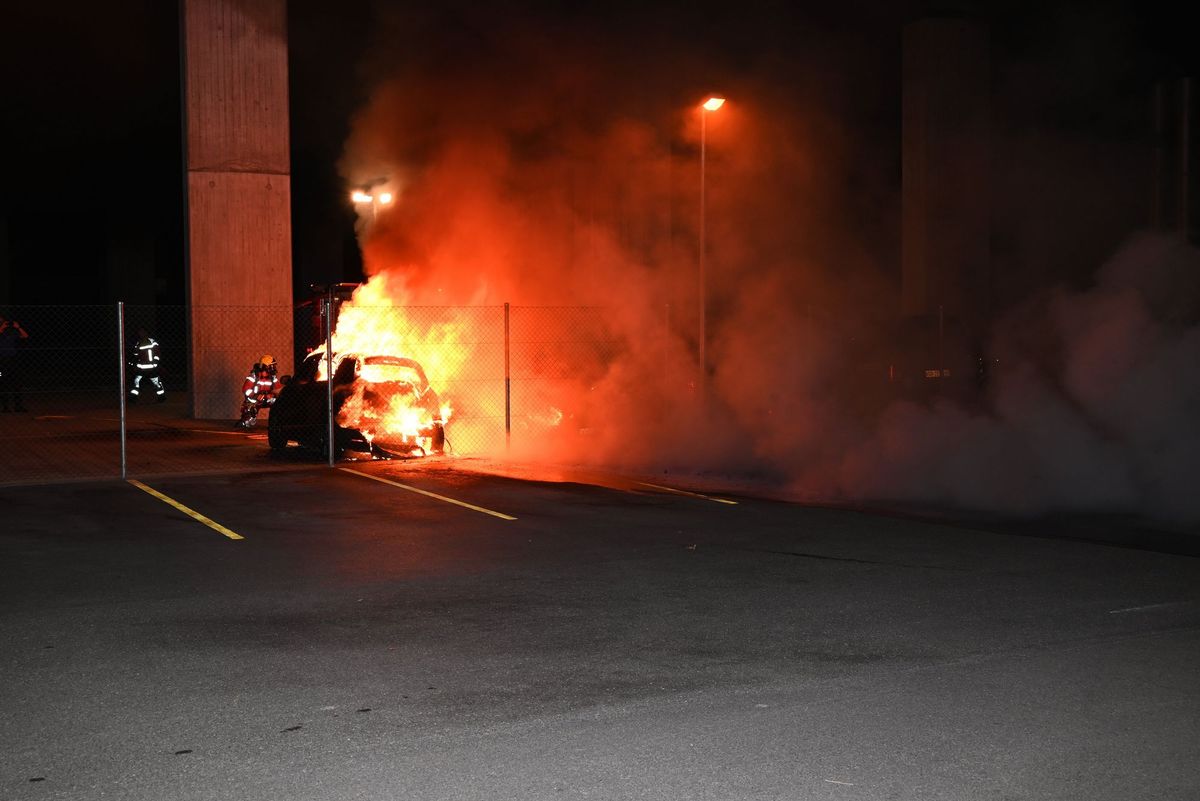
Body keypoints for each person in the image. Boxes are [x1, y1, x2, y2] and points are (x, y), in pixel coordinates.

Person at [237, 354, 283, 428]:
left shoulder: (272, 377)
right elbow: (245, 390)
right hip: (254, 400)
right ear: (266, 366)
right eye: (272, 366)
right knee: (249, 422)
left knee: (280, 403)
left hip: (267, 398)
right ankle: (246, 420)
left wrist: (274, 395)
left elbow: (279, 388)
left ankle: (276, 423)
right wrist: (256, 396)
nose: (274, 368)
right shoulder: (254, 376)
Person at [0, 314, 30, 412]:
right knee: (3, 383)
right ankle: (5, 407)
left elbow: (25, 336)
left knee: (17, 383)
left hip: (13, 360)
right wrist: (1, 328)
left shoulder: (11, 331)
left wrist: (18, 327)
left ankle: (18, 406)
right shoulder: (1, 331)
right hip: (1, 361)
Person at [129, 328, 165, 403]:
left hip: (151, 366)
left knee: (156, 382)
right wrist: (134, 363)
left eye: (142, 332)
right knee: (136, 381)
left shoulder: (152, 342)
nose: (141, 334)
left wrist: (155, 362)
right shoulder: (138, 343)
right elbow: (136, 355)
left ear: (146, 333)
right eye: (139, 332)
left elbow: (157, 352)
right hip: (141, 367)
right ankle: (133, 397)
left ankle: (161, 397)